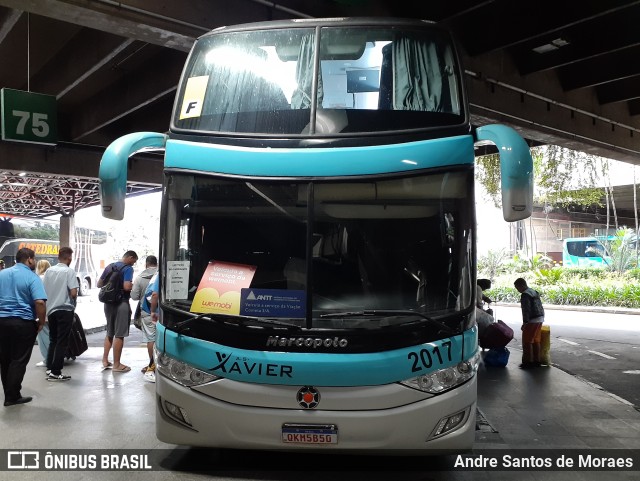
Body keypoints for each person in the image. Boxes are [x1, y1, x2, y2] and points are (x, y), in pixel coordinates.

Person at [0, 247, 47, 406]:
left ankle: (9, 394)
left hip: (2, 322)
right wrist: (41, 322)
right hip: (23, 323)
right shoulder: (32, 277)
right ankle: (12, 397)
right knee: (18, 360)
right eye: (34, 259)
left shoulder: (2, 274)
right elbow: (40, 302)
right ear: (29, 259)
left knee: (5, 359)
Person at [41, 247, 78, 382]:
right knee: (62, 341)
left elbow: (44, 290)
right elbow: (73, 292)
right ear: (69, 258)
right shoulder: (69, 271)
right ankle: (56, 372)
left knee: (53, 340)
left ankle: (50, 368)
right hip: (65, 310)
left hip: (51, 310)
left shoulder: (49, 271)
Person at [97, 250, 138, 373]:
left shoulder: (110, 266)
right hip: (121, 303)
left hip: (108, 303)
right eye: (134, 261)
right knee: (119, 334)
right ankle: (117, 364)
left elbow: (99, 284)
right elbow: (126, 286)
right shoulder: (128, 269)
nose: (133, 264)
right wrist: (133, 284)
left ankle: (105, 360)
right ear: (130, 257)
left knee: (109, 331)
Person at [130, 255, 158, 381]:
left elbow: (134, 296)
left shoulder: (140, 277)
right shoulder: (161, 274)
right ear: (156, 263)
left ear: (146, 264)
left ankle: (152, 365)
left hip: (148, 312)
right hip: (161, 311)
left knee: (150, 338)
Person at [514, 277, 545, 369]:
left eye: (517, 288)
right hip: (540, 318)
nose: (517, 290)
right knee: (536, 341)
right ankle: (537, 361)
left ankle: (528, 362)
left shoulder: (525, 295)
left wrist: (525, 322)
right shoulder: (534, 291)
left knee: (527, 341)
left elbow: (526, 310)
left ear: (521, 285)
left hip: (532, 320)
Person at [35, 259, 52, 367]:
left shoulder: (39, 278)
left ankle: (47, 358)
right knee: (52, 335)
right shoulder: (52, 277)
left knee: (43, 336)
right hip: (54, 310)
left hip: (44, 311)